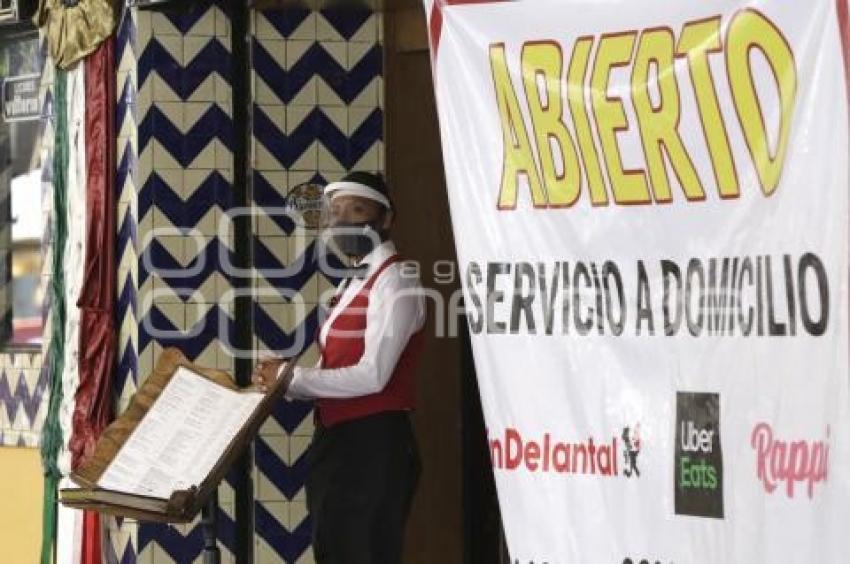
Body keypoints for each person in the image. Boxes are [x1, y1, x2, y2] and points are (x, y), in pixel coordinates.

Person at [252, 171, 426, 564]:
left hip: (374, 445)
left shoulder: (397, 280)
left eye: (358, 210)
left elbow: (374, 374)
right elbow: (337, 363)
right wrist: (286, 383)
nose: (345, 221)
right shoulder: (353, 282)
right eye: (338, 213)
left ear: (385, 219)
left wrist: (293, 378)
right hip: (339, 441)